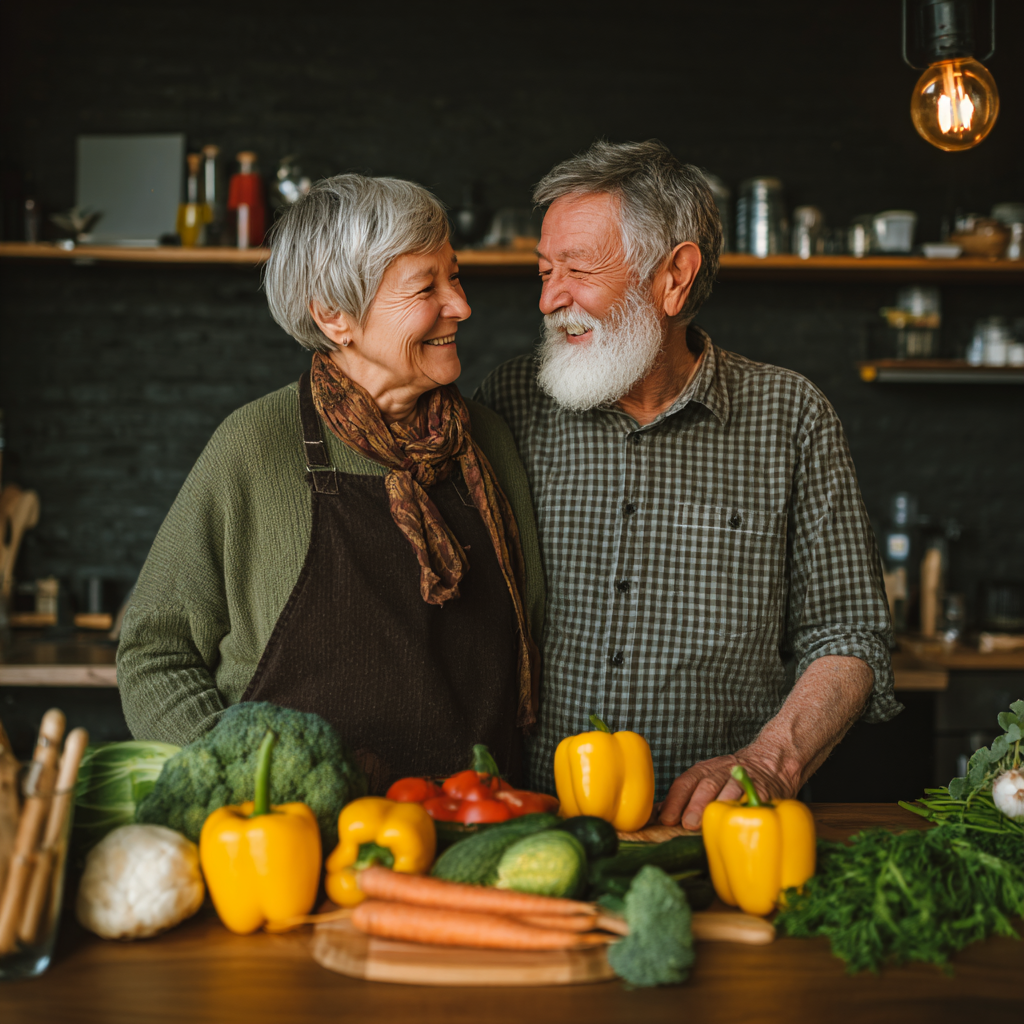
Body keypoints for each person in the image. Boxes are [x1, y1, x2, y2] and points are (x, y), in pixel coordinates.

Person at [477, 140, 898, 828]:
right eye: (545, 269)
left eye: (578, 270)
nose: (551, 298)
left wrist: (769, 760)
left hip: (728, 829)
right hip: (536, 826)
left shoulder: (791, 416)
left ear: (674, 276)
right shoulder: (513, 401)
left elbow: (849, 634)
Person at [118, 174, 542, 793]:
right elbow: (155, 653)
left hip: (472, 828)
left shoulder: (490, 443)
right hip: (296, 847)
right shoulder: (257, 446)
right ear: (334, 316)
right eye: (427, 286)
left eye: (456, 275)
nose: (460, 304)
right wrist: (239, 787)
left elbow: (533, 637)